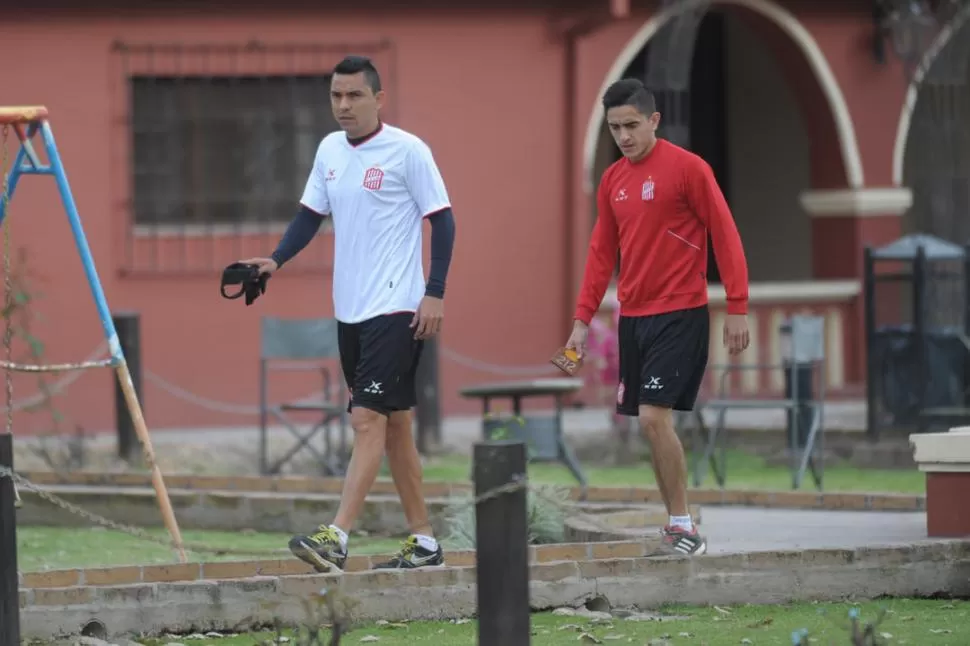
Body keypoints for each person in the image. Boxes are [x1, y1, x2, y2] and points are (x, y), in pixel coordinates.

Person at [238, 54, 456, 572]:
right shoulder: (329, 150)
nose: (343, 105)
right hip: (351, 311)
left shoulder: (408, 151)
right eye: (336, 95)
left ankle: (336, 535)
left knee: (365, 421)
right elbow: (310, 215)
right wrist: (275, 260)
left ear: (378, 99)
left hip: (397, 307)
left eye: (354, 95)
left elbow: (443, 223)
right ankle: (425, 543)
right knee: (395, 425)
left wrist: (435, 292)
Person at [564, 78, 750, 557]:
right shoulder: (613, 181)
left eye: (631, 125)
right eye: (614, 128)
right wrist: (581, 322)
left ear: (653, 121)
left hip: (682, 312)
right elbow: (601, 252)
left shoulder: (689, 170)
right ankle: (677, 525)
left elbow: (726, 235)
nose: (623, 136)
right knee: (648, 424)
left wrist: (737, 307)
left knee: (651, 417)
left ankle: (684, 528)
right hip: (634, 318)